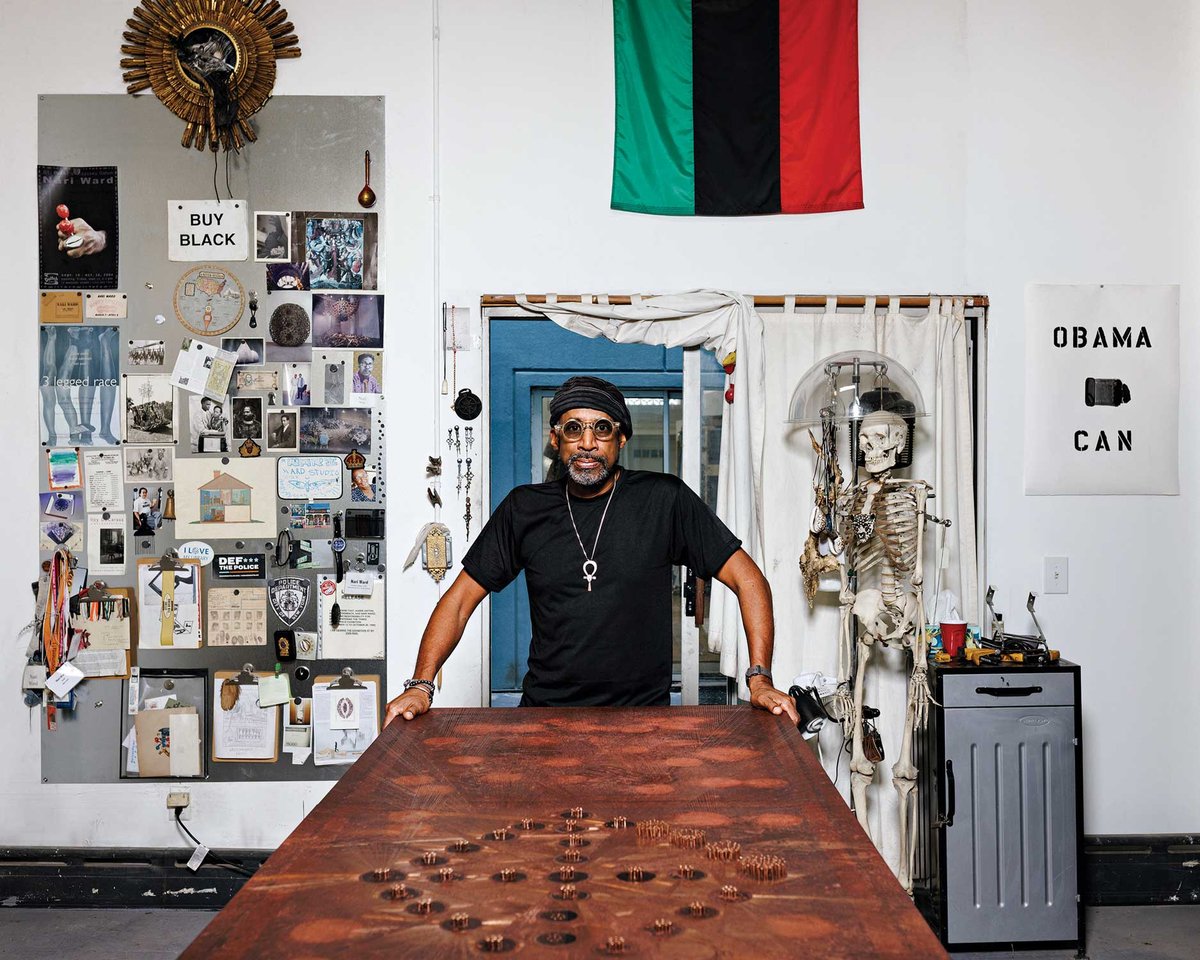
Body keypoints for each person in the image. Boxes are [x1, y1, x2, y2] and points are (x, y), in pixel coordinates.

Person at [384, 376, 799, 726]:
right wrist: (421, 685)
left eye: (601, 429)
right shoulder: (524, 509)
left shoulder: (663, 500)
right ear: (556, 439)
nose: (587, 443)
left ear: (621, 439)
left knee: (643, 826)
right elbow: (457, 602)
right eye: (573, 429)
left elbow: (749, 579)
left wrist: (759, 677)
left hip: (643, 722)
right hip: (545, 720)